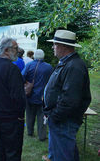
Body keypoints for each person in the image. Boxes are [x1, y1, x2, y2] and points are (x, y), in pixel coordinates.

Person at [42, 30, 91, 161]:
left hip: (64, 121)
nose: (53, 47)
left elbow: (70, 100)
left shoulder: (74, 66)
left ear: (63, 46)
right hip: (61, 120)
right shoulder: (68, 62)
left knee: (62, 156)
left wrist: (54, 116)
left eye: (55, 44)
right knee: (64, 154)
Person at [0, 37, 26, 161]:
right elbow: (18, 97)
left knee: (1, 149)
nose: (18, 51)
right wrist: (20, 115)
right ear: (7, 50)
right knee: (12, 152)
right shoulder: (12, 69)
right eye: (15, 48)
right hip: (11, 119)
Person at [22, 49, 53, 141]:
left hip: (30, 94)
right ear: (43, 56)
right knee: (42, 116)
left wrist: (26, 83)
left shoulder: (29, 65)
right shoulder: (49, 67)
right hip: (43, 96)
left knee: (29, 114)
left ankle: (30, 131)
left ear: (34, 56)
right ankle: (42, 135)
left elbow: (22, 76)